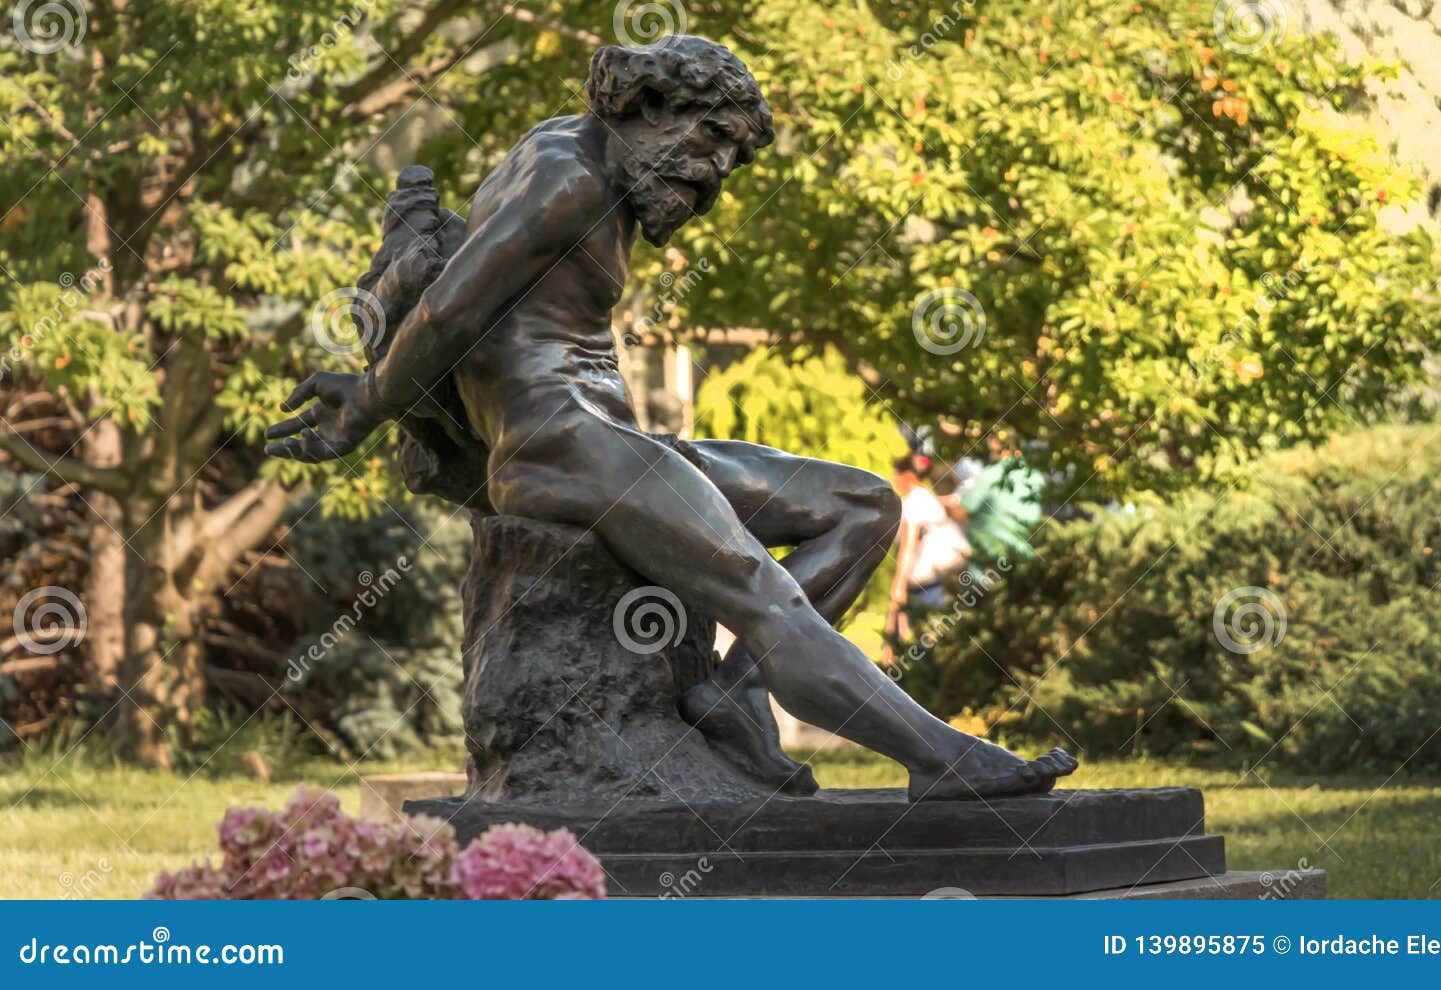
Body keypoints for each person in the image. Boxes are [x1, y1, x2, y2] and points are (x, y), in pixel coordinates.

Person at [263, 36, 1075, 800]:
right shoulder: (565, 178)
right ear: (647, 105)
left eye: (733, 157)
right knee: (757, 587)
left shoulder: (578, 158)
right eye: (712, 137)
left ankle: (736, 696)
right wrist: (367, 404)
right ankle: (944, 761)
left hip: (610, 440)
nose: (718, 171)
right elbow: (448, 313)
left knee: (864, 505)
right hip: (556, 446)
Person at [884, 453, 970, 657]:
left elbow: (908, 546)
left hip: (927, 583)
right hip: (945, 576)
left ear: (908, 475)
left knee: (924, 640)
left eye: (898, 473)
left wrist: (898, 586)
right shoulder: (930, 498)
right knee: (940, 637)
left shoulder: (912, 502)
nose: (895, 478)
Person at [944, 436, 1045, 564]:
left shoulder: (990, 474)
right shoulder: (1036, 476)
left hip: (990, 559)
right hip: (1025, 556)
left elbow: (960, 512)